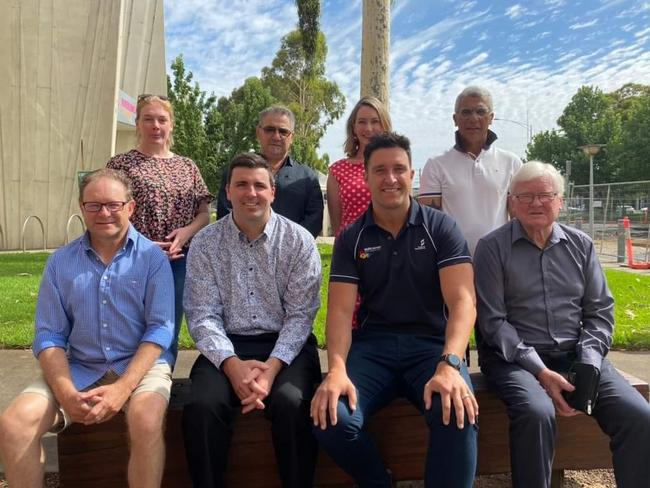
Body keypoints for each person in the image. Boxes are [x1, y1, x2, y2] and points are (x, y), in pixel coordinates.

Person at [311, 132, 479, 488]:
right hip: (373, 348)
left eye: (399, 169)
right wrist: (336, 370)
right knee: (331, 417)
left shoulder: (441, 228)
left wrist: (451, 363)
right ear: (367, 177)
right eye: (380, 170)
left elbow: (463, 301)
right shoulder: (352, 237)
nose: (390, 179)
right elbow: (339, 312)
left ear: (411, 173)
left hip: (432, 346)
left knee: (457, 411)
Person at [474, 161, 650, 488]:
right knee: (537, 412)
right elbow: (493, 322)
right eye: (525, 196)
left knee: (639, 417)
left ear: (561, 201)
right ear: (511, 203)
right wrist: (540, 371)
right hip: (514, 360)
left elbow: (599, 312)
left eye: (544, 195)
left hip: (576, 354)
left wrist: (589, 362)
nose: (535, 203)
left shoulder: (581, 245)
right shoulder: (491, 248)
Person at [0, 169, 175, 488]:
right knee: (15, 423)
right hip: (80, 367)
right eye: (93, 205)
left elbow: (160, 330)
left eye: (113, 204)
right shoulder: (61, 262)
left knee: (145, 419)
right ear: (81, 208)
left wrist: (123, 389)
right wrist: (66, 393)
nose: (104, 213)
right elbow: (49, 335)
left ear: (130, 207)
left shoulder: (152, 258)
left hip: (140, 366)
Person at [183, 153, 322, 487]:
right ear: (228, 191)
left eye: (260, 185)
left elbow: (301, 316)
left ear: (273, 192)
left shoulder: (298, 241)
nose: (251, 193)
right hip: (227, 347)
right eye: (241, 184)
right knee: (201, 407)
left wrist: (271, 368)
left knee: (292, 404)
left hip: (287, 347)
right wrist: (233, 366)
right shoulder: (205, 243)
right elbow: (202, 315)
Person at [107, 94, 213, 360]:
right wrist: (142, 243)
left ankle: (159, 385)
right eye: (149, 119)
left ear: (171, 125)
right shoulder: (120, 165)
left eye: (162, 120)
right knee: (130, 323)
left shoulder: (187, 166)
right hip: (133, 256)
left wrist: (187, 232)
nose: (156, 126)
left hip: (178, 260)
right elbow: (110, 211)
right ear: (138, 124)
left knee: (167, 325)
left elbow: (204, 213)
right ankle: (125, 380)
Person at [418, 86, 522, 254]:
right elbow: (429, 222)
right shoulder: (436, 164)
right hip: (452, 260)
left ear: (491, 118)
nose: (473, 118)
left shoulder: (512, 162)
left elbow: (519, 217)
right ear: (455, 119)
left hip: (499, 259)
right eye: (466, 112)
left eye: (481, 112)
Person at [216, 105, 324, 238]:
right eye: (270, 130)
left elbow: (314, 219)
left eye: (283, 131)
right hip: (241, 252)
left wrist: (290, 245)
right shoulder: (236, 171)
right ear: (258, 132)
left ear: (292, 137)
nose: (276, 136)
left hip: (291, 254)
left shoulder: (307, 177)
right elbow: (225, 214)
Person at [328, 96, 392, 236]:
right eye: (362, 122)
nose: (368, 128)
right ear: (354, 127)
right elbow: (337, 226)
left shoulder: (397, 166)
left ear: (384, 125)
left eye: (375, 121)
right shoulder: (337, 171)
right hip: (352, 250)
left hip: (393, 249)